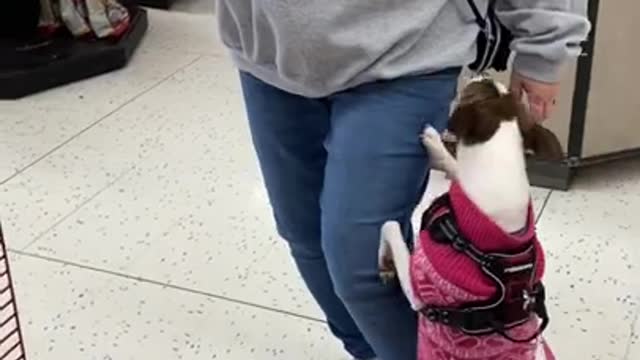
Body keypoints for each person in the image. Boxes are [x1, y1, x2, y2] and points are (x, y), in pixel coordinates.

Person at [214, 1, 590, 359]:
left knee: (363, 266)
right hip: (265, 48)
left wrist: (546, 40)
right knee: (304, 233)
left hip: (409, 49)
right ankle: (372, 352)